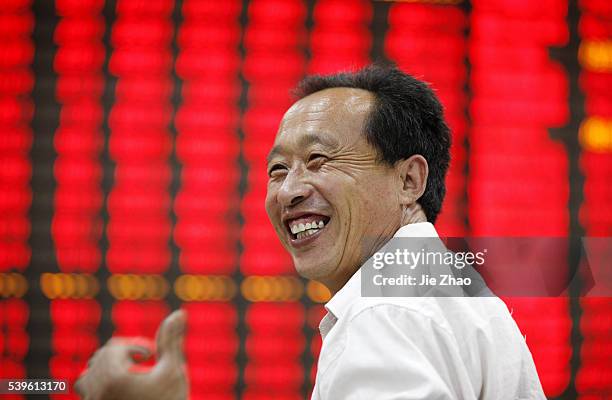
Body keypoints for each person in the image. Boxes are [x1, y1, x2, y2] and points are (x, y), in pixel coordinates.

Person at [75, 65, 546, 399]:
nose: (290, 191)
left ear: (409, 181)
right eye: (278, 169)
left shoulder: (385, 314)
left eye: (319, 160)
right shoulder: (452, 295)